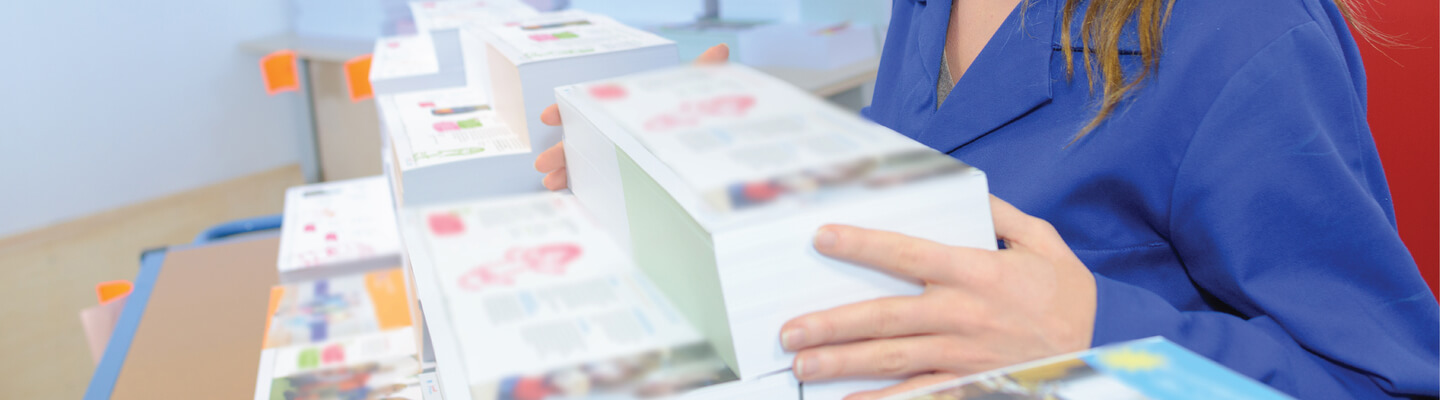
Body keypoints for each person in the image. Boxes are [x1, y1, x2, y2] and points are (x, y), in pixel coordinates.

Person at [532, 0, 1440, 398]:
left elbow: (1381, 382)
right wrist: (716, 157)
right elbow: (927, 202)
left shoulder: (1246, 34)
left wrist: (1094, 333)